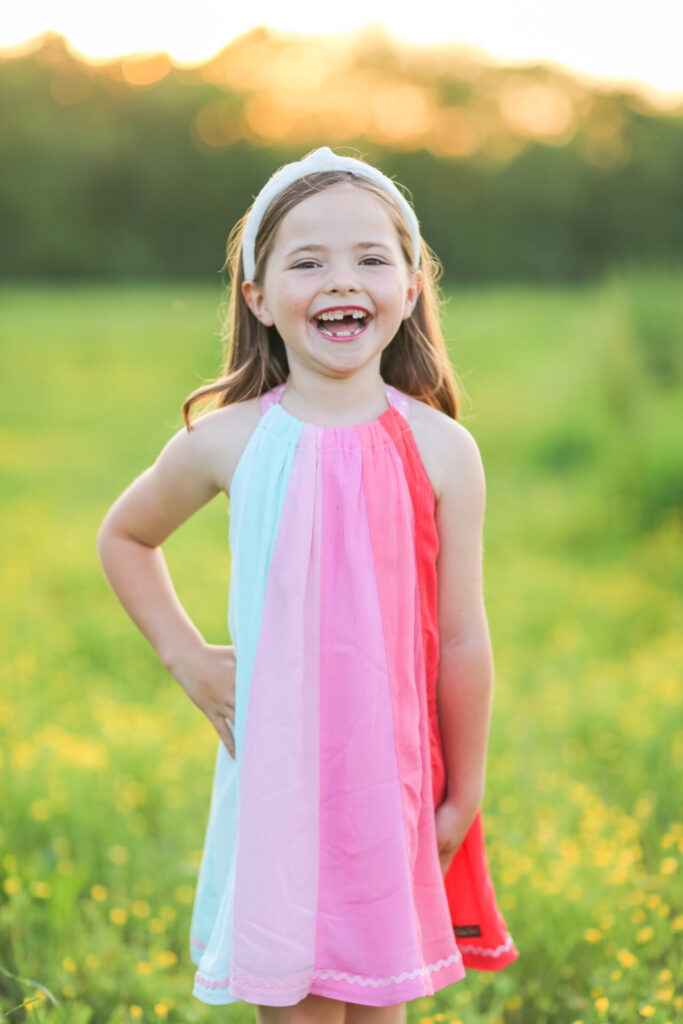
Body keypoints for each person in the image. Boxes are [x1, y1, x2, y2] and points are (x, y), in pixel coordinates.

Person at [96, 146, 519, 1023]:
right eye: (307, 261)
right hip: (278, 781)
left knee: (378, 1002)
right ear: (257, 296)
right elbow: (126, 536)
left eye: (370, 258)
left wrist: (465, 788)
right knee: (293, 1004)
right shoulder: (229, 439)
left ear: (410, 285)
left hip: (390, 782)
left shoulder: (442, 449)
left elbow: (463, 636)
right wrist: (189, 658)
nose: (342, 281)